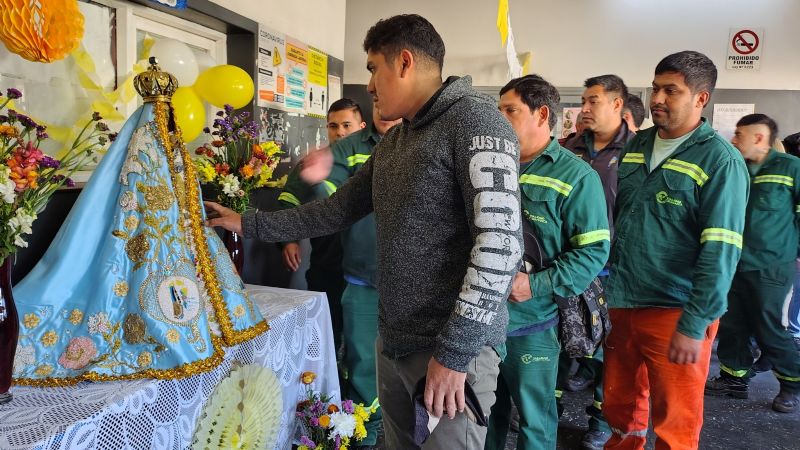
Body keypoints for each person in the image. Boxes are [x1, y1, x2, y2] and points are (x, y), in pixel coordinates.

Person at [205, 14, 522, 449]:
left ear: (405, 62)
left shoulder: (476, 123)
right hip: (394, 344)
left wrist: (453, 354)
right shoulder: (397, 141)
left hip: (450, 354)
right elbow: (335, 210)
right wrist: (251, 222)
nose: (369, 85)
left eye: (373, 68)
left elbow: (500, 246)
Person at [603, 51, 749, 449]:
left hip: (675, 309)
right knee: (620, 409)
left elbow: (721, 250)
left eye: (671, 90)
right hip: (623, 300)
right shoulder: (638, 146)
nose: (657, 99)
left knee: (675, 424)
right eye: (655, 88)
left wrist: (695, 323)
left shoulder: (721, 161)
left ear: (701, 99)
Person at [484, 75, 609, 450]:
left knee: (535, 421)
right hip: (481, 321)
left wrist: (532, 285)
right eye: (498, 109)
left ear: (541, 114)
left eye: (510, 110)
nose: (499, 117)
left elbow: (592, 253)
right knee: (484, 415)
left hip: (532, 323)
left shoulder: (575, 175)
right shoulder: (486, 164)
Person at [303, 106, 402, 447]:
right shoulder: (352, 145)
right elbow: (330, 191)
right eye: (374, 96)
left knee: (412, 362)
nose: (381, 100)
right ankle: (367, 430)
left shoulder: (427, 138)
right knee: (361, 361)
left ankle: (404, 426)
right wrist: (324, 185)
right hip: (363, 277)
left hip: (414, 281)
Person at [705, 113, 800, 413]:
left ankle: (792, 383)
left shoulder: (791, 168)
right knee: (733, 325)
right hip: (735, 264)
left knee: (770, 328)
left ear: (759, 138)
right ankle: (734, 379)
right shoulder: (737, 169)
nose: (734, 140)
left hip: (772, 267)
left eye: (739, 135)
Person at [559, 74, 635, 450]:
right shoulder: (570, 147)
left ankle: (601, 420)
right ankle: (547, 406)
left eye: (593, 102)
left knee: (611, 351)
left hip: (611, 270)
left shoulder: (636, 152)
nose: (584, 109)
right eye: (583, 101)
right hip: (567, 265)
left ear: (618, 104)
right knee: (558, 338)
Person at [277, 98, 366, 353]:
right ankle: (331, 388)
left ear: (361, 126)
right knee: (325, 333)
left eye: (347, 125)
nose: (340, 132)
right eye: (333, 126)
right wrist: (289, 239)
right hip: (327, 262)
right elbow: (288, 200)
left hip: (366, 268)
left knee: (363, 341)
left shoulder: (375, 157)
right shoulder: (315, 161)